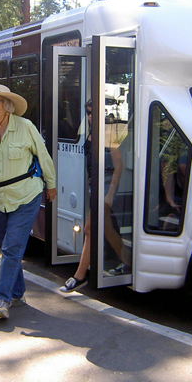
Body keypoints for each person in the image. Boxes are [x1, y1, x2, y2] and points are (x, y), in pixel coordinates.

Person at [0, 84, 56, 320]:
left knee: (11, 247)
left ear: (6, 105)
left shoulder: (25, 127)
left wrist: (51, 184)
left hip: (26, 195)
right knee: (7, 247)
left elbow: (43, 156)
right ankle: (18, 293)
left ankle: (2, 299)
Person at [60, 100, 131, 293]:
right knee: (106, 230)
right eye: (88, 112)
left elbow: (119, 166)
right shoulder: (90, 133)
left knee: (90, 229)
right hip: (95, 188)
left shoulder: (108, 133)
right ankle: (128, 263)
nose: (90, 116)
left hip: (105, 189)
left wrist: (109, 195)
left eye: (94, 113)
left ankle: (79, 276)